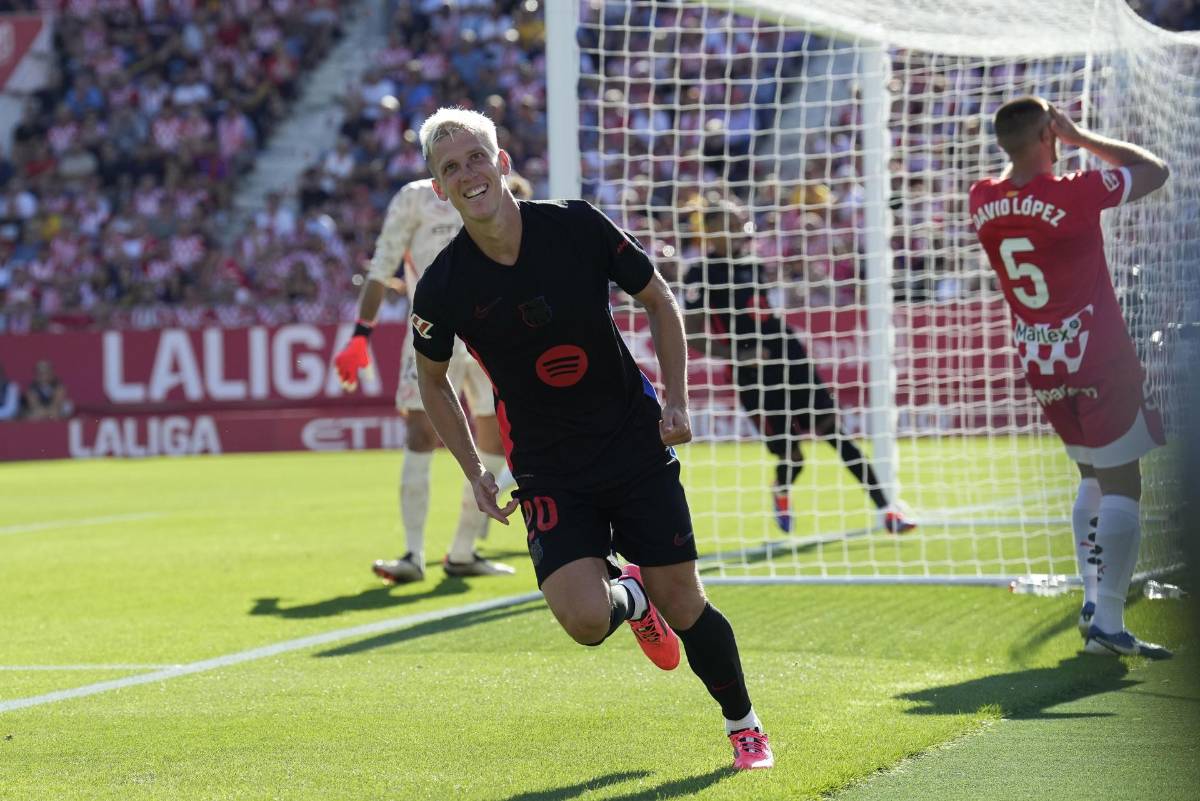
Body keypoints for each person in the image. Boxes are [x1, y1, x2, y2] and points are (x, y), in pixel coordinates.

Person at [409, 107, 774, 770]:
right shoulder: (444, 286)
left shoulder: (576, 224)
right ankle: (628, 594)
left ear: (503, 162)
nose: (467, 173)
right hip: (548, 467)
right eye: (450, 167)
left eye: (476, 157)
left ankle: (744, 723)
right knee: (582, 621)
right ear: (438, 188)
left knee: (686, 601)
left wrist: (678, 399)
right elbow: (431, 382)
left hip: (632, 442)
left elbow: (659, 299)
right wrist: (474, 472)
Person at [969, 95, 1172, 659]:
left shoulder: (981, 197)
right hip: (1098, 355)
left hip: (1041, 359)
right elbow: (1155, 170)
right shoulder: (1073, 190)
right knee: (1123, 484)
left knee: (1090, 476)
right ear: (1049, 135)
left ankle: (1092, 599)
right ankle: (1107, 621)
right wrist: (1081, 138)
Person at [335, 173, 532, 583]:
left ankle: (462, 552)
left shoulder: (490, 189)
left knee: (494, 433)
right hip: (429, 329)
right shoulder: (413, 198)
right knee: (421, 434)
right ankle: (412, 554)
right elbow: (383, 264)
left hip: (490, 331)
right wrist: (360, 334)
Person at [683, 199, 917, 535]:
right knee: (793, 457)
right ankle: (780, 489)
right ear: (712, 230)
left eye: (740, 221)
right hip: (753, 375)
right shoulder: (701, 273)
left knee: (835, 433)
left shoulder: (754, 264)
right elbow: (691, 334)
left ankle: (888, 510)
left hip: (789, 356)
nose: (740, 229)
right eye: (731, 223)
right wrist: (740, 356)